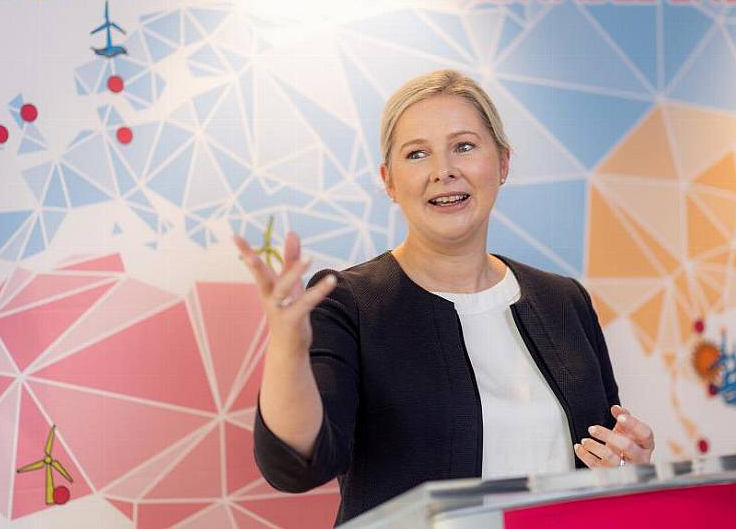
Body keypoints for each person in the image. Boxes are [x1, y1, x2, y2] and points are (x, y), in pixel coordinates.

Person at [236, 69, 654, 524]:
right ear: (389, 181)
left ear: (503, 162)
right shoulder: (348, 303)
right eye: (417, 154)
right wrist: (287, 352)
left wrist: (627, 464)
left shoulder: (563, 300)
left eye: (465, 146)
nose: (443, 171)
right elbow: (298, 464)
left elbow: (604, 455)